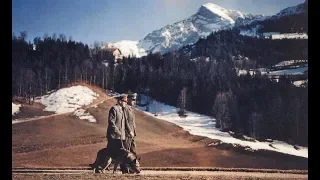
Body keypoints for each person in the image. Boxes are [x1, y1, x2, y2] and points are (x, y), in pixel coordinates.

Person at [94, 94, 130, 173]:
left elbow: (124, 123)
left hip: (121, 137)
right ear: (120, 101)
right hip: (113, 137)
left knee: (122, 153)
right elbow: (111, 122)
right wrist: (117, 132)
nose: (126, 103)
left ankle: (124, 169)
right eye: (125, 101)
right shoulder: (114, 109)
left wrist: (128, 132)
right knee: (109, 153)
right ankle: (99, 167)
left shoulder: (123, 110)